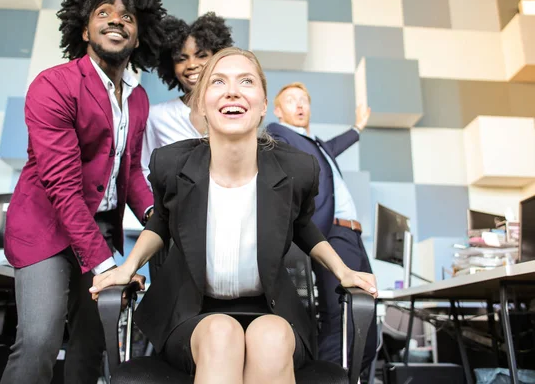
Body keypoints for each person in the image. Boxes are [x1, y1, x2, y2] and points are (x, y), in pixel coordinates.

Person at [90, 47, 378, 384]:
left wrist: (344, 271)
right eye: (218, 82)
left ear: (263, 105)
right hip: (192, 313)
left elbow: (304, 228)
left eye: (246, 81)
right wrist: (126, 269)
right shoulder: (172, 164)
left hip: (271, 309)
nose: (232, 91)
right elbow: (162, 223)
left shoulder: (296, 169)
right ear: (202, 104)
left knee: (269, 338)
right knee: (220, 334)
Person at [1, 0, 165, 384]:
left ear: (139, 37)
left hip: (101, 226)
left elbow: (128, 171)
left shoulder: (138, 97)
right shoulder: (54, 85)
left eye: (127, 17)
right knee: (39, 339)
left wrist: (155, 213)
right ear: (85, 30)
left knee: (93, 346)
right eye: (104, 12)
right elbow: (63, 187)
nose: (116, 20)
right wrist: (106, 265)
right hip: (46, 227)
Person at [265, 84, 377, 369]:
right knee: (343, 316)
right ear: (277, 110)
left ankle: (351, 374)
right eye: (291, 100)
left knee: (363, 313)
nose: (300, 105)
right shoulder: (280, 134)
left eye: (304, 100)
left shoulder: (316, 144)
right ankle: (328, 376)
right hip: (331, 231)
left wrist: (358, 126)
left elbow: (335, 146)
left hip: (351, 234)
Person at [141, 12, 233, 185]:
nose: (191, 65)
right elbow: (145, 169)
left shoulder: (235, 110)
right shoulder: (157, 116)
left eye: (201, 55)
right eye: (181, 59)